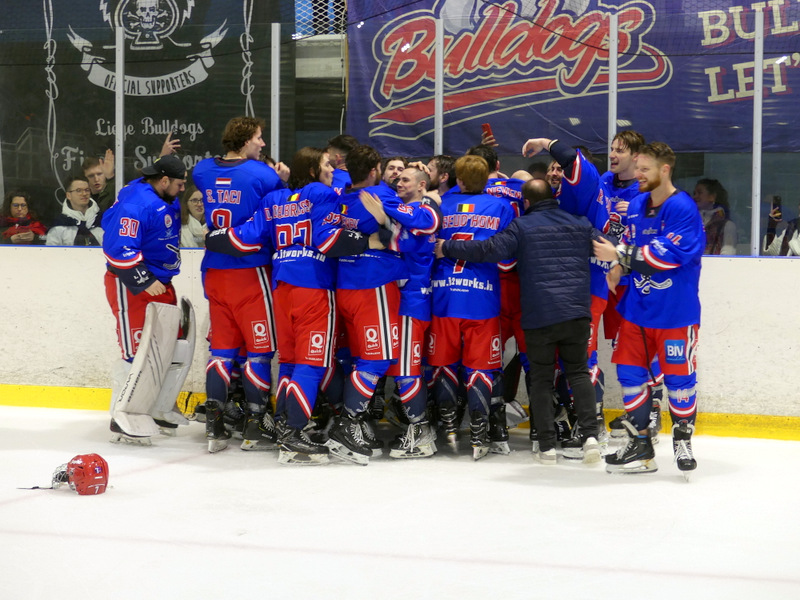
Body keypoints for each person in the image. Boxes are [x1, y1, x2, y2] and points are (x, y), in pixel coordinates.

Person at [206, 146, 388, 464]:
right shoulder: (321, 193)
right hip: (313, 287)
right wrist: (370, 240)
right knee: (313, 362)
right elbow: (327, 240)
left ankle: (284, 428)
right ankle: (294, 434)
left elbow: (244, 239)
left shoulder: (274, 199)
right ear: (314, 170)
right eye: (326, 164)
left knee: (289, 361)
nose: (332, 169)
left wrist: (214, 236)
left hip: (281, 288)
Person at [436, 178, 602, 464]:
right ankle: (590, 437)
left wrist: (448, 248)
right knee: (577, 373)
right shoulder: (580, 223)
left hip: (539, 315)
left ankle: (547, 445)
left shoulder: (522, 226)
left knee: (539, 378)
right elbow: (606, 245)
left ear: (525, 202)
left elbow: (487, 249)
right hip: (575, 313)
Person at [594, 142, 704, 477]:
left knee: (680, 381)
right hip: (635, 311)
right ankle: (640, 445)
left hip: (675, 314)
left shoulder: (683, 208)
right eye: (637, 168)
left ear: (664, 170)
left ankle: (682, 442)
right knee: (629, 377)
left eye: (645, 169)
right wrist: (620, 268)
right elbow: (633, 246)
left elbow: (663, 257)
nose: (637, 175)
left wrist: (619, 256)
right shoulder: (637, 204)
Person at [191, 116, 284, 453]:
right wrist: (283, 180)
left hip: (215, 271)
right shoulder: (263, 174)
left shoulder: (202, 170)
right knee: (258, 352)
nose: (262, 144)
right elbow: (278, 209)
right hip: (250, 270)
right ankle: (257, 423)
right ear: (246, 140)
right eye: (259, 138)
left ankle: (215, 426)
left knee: (222, 352)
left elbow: (213, 187)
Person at [324, 144, 407, 465]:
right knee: (379, 358)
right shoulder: (380, 196)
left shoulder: (338, 200)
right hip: (375, 286)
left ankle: (352, 422)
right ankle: (348, 424)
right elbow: (414, 230)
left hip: (345, 287)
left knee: (360, 358)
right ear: (374, 171)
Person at [428, 154, 515, 460]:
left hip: (444, 298)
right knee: (481, 368)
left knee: (443, 364)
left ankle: (448, 426)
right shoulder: (501, 207)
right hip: (483, 300)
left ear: (459, 179)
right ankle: (479, 431)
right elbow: (507, 259)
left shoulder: (441, 206)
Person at [359, 165, 443, 459]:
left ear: (422, 186)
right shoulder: (408, 215)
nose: (399, 183)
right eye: (397, 179)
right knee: (401, 369)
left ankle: (420, 434)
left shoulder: (427, 212)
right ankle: (417, 428)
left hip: (412, 303)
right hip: (403, 302)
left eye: (406, 179)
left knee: (407, 371)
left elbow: (392, 241)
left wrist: (385, 212)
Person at [101, 154, 187, 442]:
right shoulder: (137, 203)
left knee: (168, 347)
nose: (182, 189)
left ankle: (157, 407)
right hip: (132, 285)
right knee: (136, 350)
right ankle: (121, 415)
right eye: (179, 183)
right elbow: (116, 247)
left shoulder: (158, 190)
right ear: (163, 180)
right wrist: (142, 278)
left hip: (160, 283)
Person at [46, 176, 104, 246]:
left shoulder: (103, 221)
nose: (84, 194)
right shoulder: (59, 226)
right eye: (78, 190)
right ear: (68, 195)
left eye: (87, 190)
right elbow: (50, 254)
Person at [693, 178, 736, 255]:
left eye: (699, 193)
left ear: (712, 197)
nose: (695, 197)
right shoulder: (691, 221)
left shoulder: (727, 225)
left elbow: (728, 257)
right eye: (694, 193)